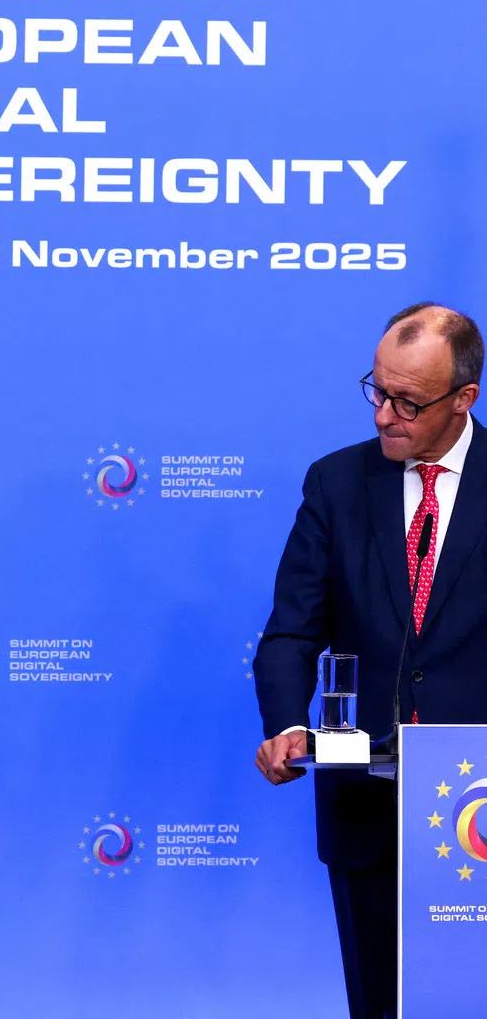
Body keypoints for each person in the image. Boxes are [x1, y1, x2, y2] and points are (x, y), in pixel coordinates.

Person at [253, 303, 485, 1019]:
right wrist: (289, 724)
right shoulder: (335, 483)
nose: (385, 416)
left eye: (407, 401)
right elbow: (291, 633)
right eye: (376, 391)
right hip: (368, 805)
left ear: (464, 399)